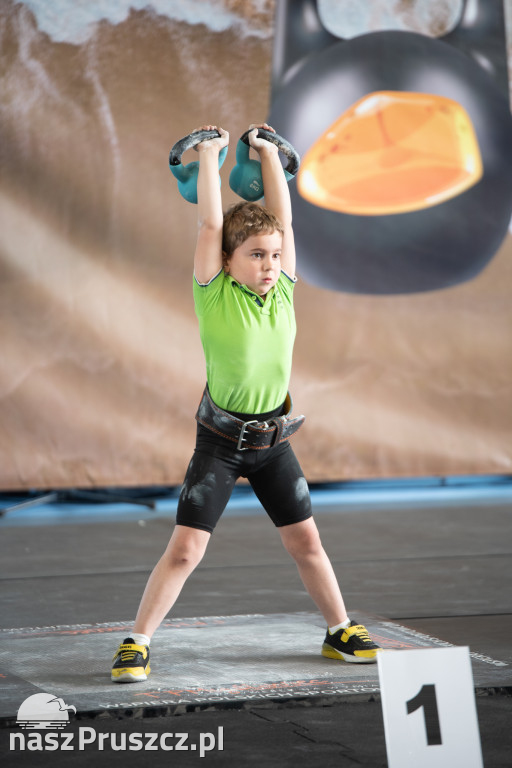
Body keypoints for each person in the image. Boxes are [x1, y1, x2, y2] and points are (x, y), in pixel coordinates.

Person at [111, 123, 380, 682]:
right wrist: (209, 156)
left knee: (307, 540)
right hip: (220, 444)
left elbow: (284, 222)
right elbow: (212, 221)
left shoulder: (282, 289)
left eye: (275, 256)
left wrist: (268, 157)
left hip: (274, 441)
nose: (269, 265)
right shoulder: (213, 292)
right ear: (228, 260)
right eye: (257, 256)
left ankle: (338, 630)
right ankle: (136, 642)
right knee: (185, 550)